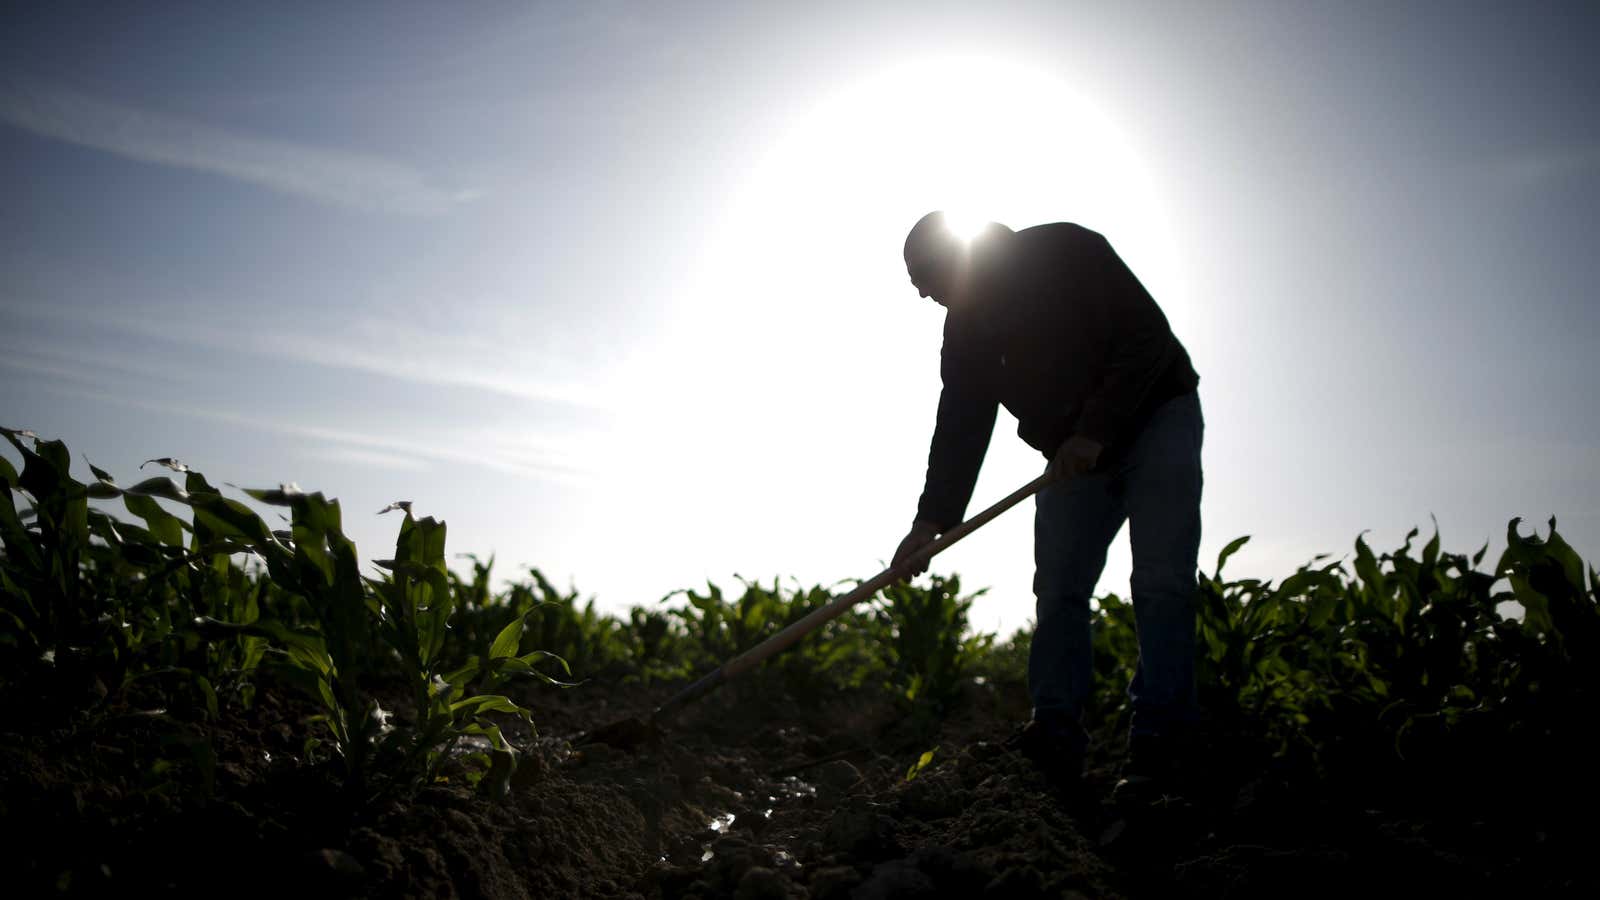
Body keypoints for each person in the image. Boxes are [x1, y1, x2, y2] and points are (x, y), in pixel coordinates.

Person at [889, 211, 1204, 800]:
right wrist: (929, 521)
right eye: (921, 291)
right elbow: (960, 423)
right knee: (1058, 586)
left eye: (931, 283)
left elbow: (1144, 336)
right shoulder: (964, 330)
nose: (931, 299)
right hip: (1072, 455)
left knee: (1161, 580)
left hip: (1157, 415)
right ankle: (1056, 731)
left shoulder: (1066, 250)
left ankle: (1162, 740)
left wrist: (1096, 428)